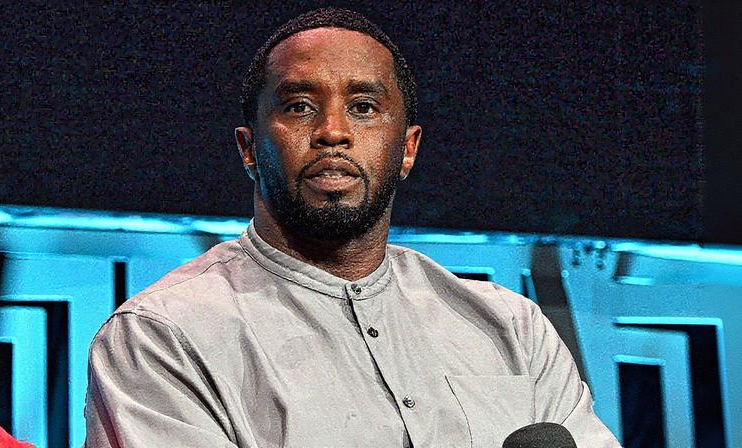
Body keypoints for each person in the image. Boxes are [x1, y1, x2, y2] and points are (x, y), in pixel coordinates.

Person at [84, 7, 621, 447]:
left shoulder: (512, 328)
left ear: (407, 149)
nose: (333, 131)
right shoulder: (164, 335)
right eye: (299, 107)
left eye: (364, 107)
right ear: (249, 148)